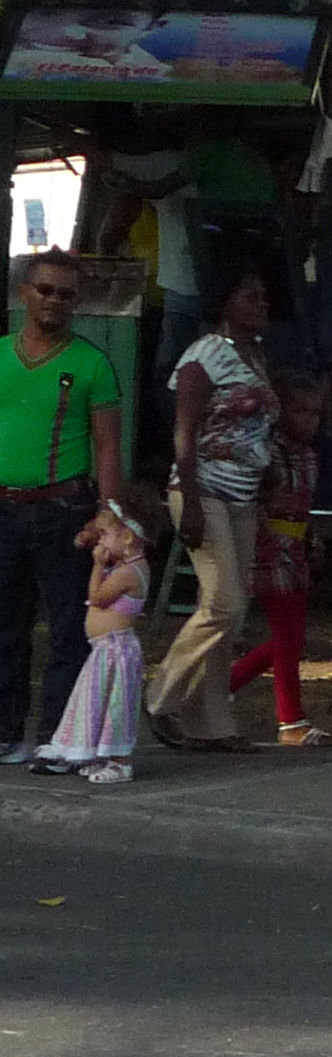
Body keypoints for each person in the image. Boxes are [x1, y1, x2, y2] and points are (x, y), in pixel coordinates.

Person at [147, 264, 278, 754]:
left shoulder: (257, 357)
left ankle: (211, 721)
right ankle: (161, 695)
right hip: (203, 491)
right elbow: (184, 432)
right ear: (224, 303)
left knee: (230, 614)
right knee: (223, 602)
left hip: (245, 494)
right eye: (250, 296)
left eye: (263, 296)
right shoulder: (202, 357)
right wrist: (193, 501)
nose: (261, 304)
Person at [0, 249, 123, 765]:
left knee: (71, 631)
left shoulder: (92, 362)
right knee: (5, 626)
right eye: (45, 289)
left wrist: (109, 512)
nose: (54, 300)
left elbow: (108, 445)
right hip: (4, 510)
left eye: (65, 293)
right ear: (24, 292)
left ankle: (59, 736)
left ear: (78, 301)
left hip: (64, 513)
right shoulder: (3, 352)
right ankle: (7, 732)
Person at [26, 483, 166, 784]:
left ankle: (120, 761)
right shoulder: (125, 566)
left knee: (115, 703)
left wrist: (97, 566)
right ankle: (99, 753)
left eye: (105, 535)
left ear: (127, 538)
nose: (99, 542)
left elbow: (98, 596)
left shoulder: (129, 571)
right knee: (95, 701)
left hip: (116, 650)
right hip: (104, 649)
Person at [227, 372, 332, 747]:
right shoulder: (268, 452)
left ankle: (224, 685)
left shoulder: (308, 456)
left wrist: (311, 537)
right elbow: (252, 497)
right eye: (300, 411)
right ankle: (289, 719)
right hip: (270, 550)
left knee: (292, 637)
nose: (308, 420)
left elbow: (307, 503)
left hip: (296, 550)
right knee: (288, 637)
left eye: (315, 413)